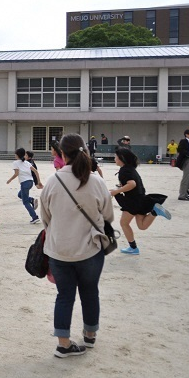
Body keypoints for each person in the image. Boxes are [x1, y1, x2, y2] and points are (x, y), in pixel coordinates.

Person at [40, 134, 114, 358]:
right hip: (90, 248)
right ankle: (90, 335)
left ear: (62, 154)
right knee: (90, 292)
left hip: (59, 249)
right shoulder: (96, 181)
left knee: (64, 296)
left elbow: (45, 217)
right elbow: (108, 215)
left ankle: (63, 344)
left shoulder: (53, 181)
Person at [110, 147, 171, 255]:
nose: (114, 158)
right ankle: (155, 212)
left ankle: (133, 248)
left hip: (132, 201)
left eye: (115, 156)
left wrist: (116, 191)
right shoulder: (130, 169)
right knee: (142, 226)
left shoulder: (124, 170)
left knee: (124, 223)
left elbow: (132, 184)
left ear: (121, 158)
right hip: (141, 199)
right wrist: (120, 187)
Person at [6, 148, 43, 224]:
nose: (14, 155)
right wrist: (39, 181)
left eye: (15, 154)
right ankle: (31, 200)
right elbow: (36, 171)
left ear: (17, 155)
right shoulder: (27, 162)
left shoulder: (15, 163)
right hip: (30, 182)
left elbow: (16, 174)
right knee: (20, 195)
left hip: (24, 183)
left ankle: (35, 217)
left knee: (25, 202)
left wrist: (10, 180)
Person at [176, 129, 189, 201]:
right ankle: (182, 195)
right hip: (187, 160)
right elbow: (180, 150)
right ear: (186, 135)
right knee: (186, 177)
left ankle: (186, 192)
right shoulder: (184, 141)